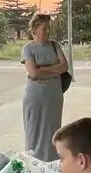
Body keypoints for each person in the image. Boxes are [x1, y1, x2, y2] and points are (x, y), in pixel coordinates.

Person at [22, 13, 68, 162]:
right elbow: (34, 73)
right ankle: (34, 162)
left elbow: (65, 66)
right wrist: (54, 70)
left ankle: (51, 163)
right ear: (34, 30)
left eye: (49, 29)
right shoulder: (28, 49)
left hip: (54, 96)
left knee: (52, 130)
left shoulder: (55, 46)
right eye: (44, 29)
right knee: (34, 130)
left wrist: (43, 70)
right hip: (35, 96)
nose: (47, 32)